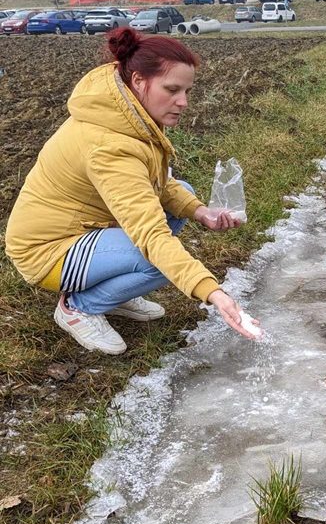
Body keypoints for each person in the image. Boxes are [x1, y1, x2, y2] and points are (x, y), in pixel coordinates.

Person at [5, 28, 260, 355]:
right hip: (48, 250)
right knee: (158, 261)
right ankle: (79, 307)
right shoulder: (111, 147)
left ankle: (116, 293)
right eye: (172, 89)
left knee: (182, 190)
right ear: (139, 81)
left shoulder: (128, 116)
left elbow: (160, 185)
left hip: (84, 229)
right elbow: (153, 237)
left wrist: (200, 211)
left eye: (186, 91)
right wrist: (215, 293)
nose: (183, 102)